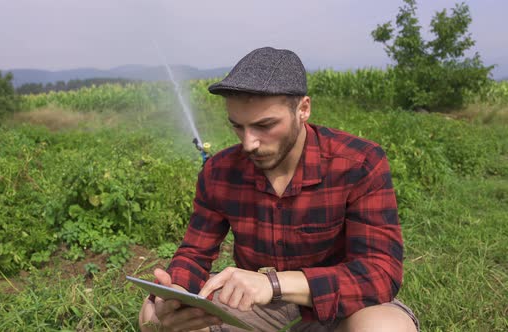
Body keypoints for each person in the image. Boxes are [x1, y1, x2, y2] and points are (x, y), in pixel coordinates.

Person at [138, 47, 420, 332]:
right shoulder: (219, 172)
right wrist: (171, 292)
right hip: (254, 306)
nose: (249, 143)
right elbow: (195, 255)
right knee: (153, 317)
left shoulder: (358, 162)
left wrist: (273, 284)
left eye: (265, 125)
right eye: (238, 126)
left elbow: (380, 272)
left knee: (385, 327)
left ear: (303, 109)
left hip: (339, 304)